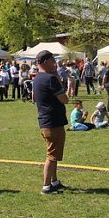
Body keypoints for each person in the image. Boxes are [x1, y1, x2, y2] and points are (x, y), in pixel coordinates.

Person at [32, 50, 69, 194]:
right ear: (46, 61)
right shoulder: (50, 79)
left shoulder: (37, 78)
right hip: (52, 122)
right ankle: (46, 186)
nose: (55, 63)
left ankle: (54, 181)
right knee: (52, 156)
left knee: (53, 154)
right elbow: (64, 99)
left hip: (45, 121)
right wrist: (57, 78)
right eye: (53, 60)